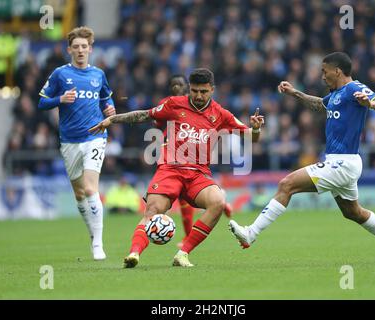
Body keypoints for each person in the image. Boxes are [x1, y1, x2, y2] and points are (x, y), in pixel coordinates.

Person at [229, 52, 375, 262]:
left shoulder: (353, 88)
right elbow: (318, 104)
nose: (322, 76)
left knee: (287, 184)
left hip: (343, 163)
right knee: (353, 212)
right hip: (341, 162)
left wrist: (370, 103)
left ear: (337, 71)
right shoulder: (335, 94)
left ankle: (251, 233)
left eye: (324, 72)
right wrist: (295, 93)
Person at [90, 68, 264, 267]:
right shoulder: (174, 104)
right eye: (195, 91)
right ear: (190, 88)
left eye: (204, 92)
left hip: (198, 174)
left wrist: (256, 128)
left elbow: (251, 137)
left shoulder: (221, 114)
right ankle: (134, 254)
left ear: (212, 90)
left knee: (217, 201)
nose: (198, 96)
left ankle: (182, 254)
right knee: (153, 210)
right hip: (170, 170)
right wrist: (113, 119)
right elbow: (144, 115)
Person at [38, 26, 116, 260]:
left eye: (84, 47)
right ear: (69, 50)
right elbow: (42, 102)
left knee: (91, 188)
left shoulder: (98, 74)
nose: (80, 50)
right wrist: (59, 99)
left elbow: (106, 98)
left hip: (95, 136)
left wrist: (110, 110)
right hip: (69, 141)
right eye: (76, 47)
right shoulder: (60, 74)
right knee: (80, 195)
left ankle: (98, 245)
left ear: (90, 49)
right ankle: (93, 235)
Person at [157, 74, 233, 249]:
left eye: (180, 84)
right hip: (171, 151)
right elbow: (156, 121)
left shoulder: (199, 106)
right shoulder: (168, 103)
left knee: (188, 198)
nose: (177, 87)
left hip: (192, 154)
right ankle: (221, 204)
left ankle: (187, 237)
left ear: (187, 86)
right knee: (184, 199)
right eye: (173, 84)